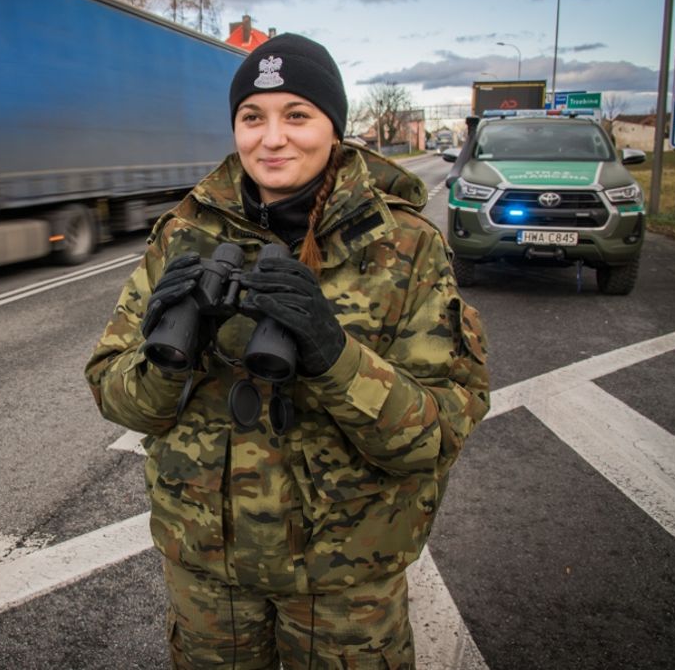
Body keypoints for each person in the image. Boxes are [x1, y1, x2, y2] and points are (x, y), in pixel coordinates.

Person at [85, 34, 489, 669]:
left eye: (296, 115)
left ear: (336, 127)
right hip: (208, 573)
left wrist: (334, 356)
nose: (271, 138)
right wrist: (168, 361)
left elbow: (436, 435)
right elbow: (115, 394)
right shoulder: (184, 234)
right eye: (253, 117)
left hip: (344, 577)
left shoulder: (405, 247)